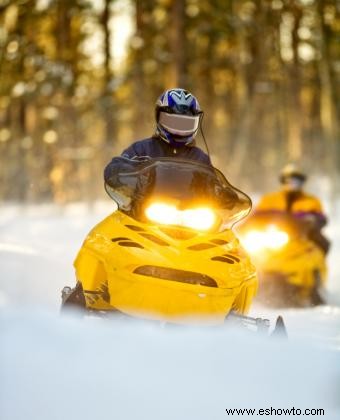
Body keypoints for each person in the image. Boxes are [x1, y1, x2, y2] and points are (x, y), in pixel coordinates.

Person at [104, 88, 211, 184]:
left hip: (191, 205)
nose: (179, 131)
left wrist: (221, 193)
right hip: (145, 204)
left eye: (185, 124)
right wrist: (129, 173)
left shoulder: (200, 159)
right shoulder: (141, 150)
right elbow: (112, 168)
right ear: (159, 118)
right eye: (174, 123)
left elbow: (214, 183)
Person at [254, 163, 330, 254]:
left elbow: (320, 218)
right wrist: (245, 227)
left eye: (296, 181)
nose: (292, 184)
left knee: (322, 245)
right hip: (273, 237)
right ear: (283, 181)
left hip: (303, 237)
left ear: (302, 182)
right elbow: (256, 215)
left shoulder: (311, 201)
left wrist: (312, 222)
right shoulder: (269, 199)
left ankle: (316, 266)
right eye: (288, 180)